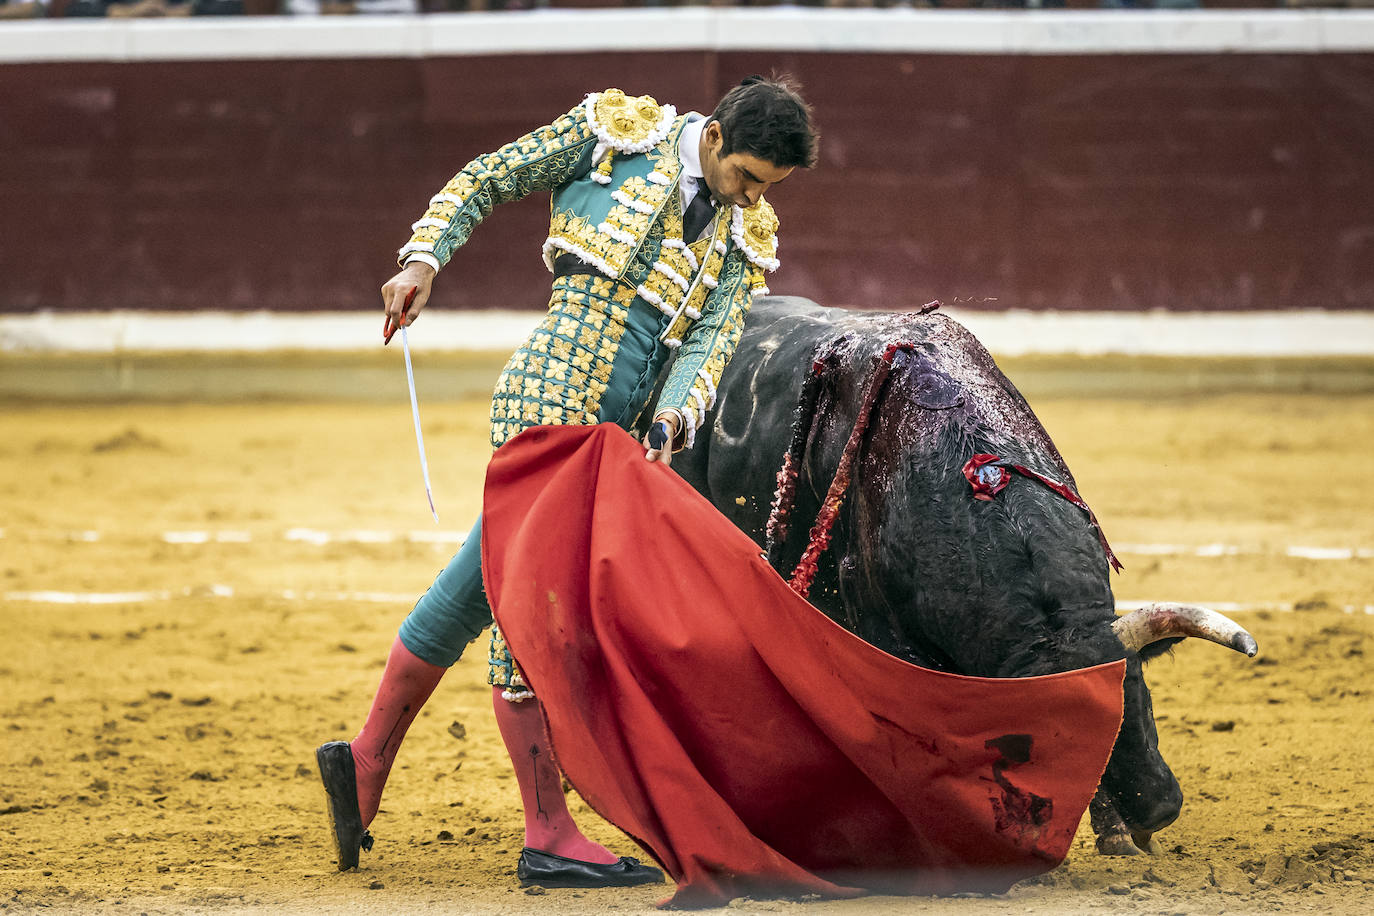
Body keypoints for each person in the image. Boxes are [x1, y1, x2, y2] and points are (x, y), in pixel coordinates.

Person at [316, 76, 818, 888]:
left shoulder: (743, 234)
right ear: (718, 138)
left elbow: (710, 345)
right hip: (546, 399)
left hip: (617, 435)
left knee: (481, 584)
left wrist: (676, 419)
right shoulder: (617, 136)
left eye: (768, 188)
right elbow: (491, 175)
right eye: (747, 178)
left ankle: (365, 759)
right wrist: (423, 260)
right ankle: (546, 832)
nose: (752, 198)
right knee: (535, 611)